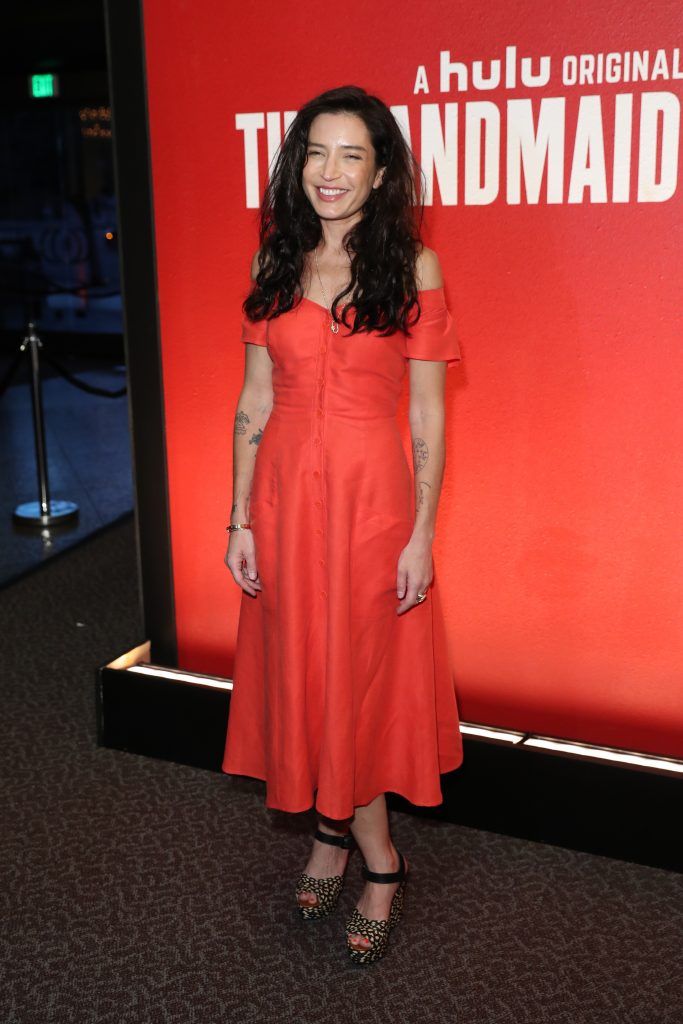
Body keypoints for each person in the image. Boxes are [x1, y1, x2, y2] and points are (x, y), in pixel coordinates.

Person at [222, 84, 464, 965]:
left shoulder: (414, 267)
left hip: (371, 507)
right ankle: (331, 835)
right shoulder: (275, 262)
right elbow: (252, 399)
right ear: (298, 165)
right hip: (284, 502)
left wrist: (421, 534)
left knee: (356, 680)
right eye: (316, 154)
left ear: (381, 169)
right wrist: (237, 519)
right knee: (307, 672)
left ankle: (378, 858)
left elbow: (429, 416)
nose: (329, 173)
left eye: (350, 155)